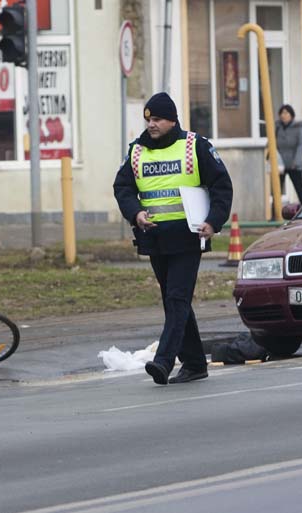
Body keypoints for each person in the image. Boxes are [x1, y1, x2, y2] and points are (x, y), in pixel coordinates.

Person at [113, 92, 233, 385]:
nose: (151, 124)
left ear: (172, 120)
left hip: (188, 237)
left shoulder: (194, 146)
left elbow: (221, 185)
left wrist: (213, 222)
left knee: (177, 298)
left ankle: (164, 361)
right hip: (154, 239)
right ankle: (194, 363)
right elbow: (123, 187)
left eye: (157, 119)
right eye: (148, 119)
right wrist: (136, 213)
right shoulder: (137, 151)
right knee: (174, 302)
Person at [274, 104, 302, 204]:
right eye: (282, 113)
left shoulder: (299, 127)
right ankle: (275, 213)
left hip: (294, 165)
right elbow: (273, 144)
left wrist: (296, 162)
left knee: (299, 188)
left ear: (291, 115)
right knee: (276, 189)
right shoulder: (277, 127)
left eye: (286, 113)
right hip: (280, 165)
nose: (283, 115)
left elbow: (301, 145)